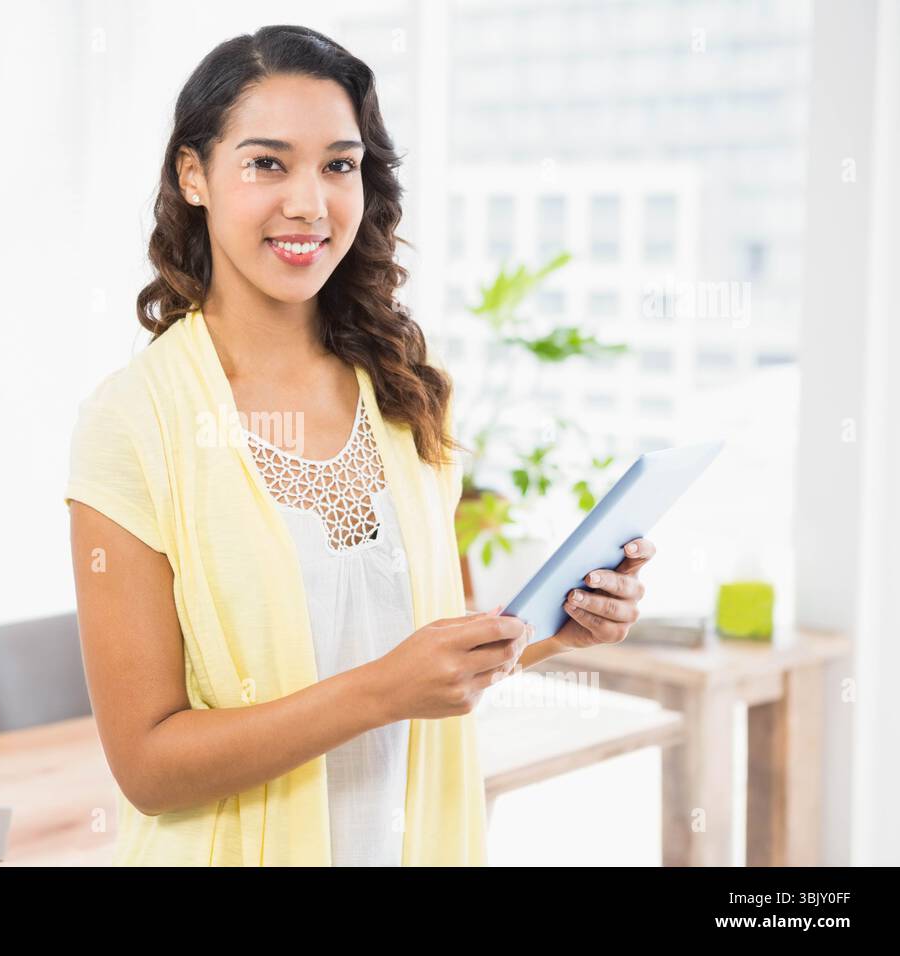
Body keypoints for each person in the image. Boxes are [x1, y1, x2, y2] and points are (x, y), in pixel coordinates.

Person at [64, 24, 654, 866]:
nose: (310, 202)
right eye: (267, 162)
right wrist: (380, 693)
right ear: (193, 175)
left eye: (340, 165)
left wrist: (564, 631)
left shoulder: (406, 387)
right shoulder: (132, 422)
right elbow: (149, 767)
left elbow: (438, 655)